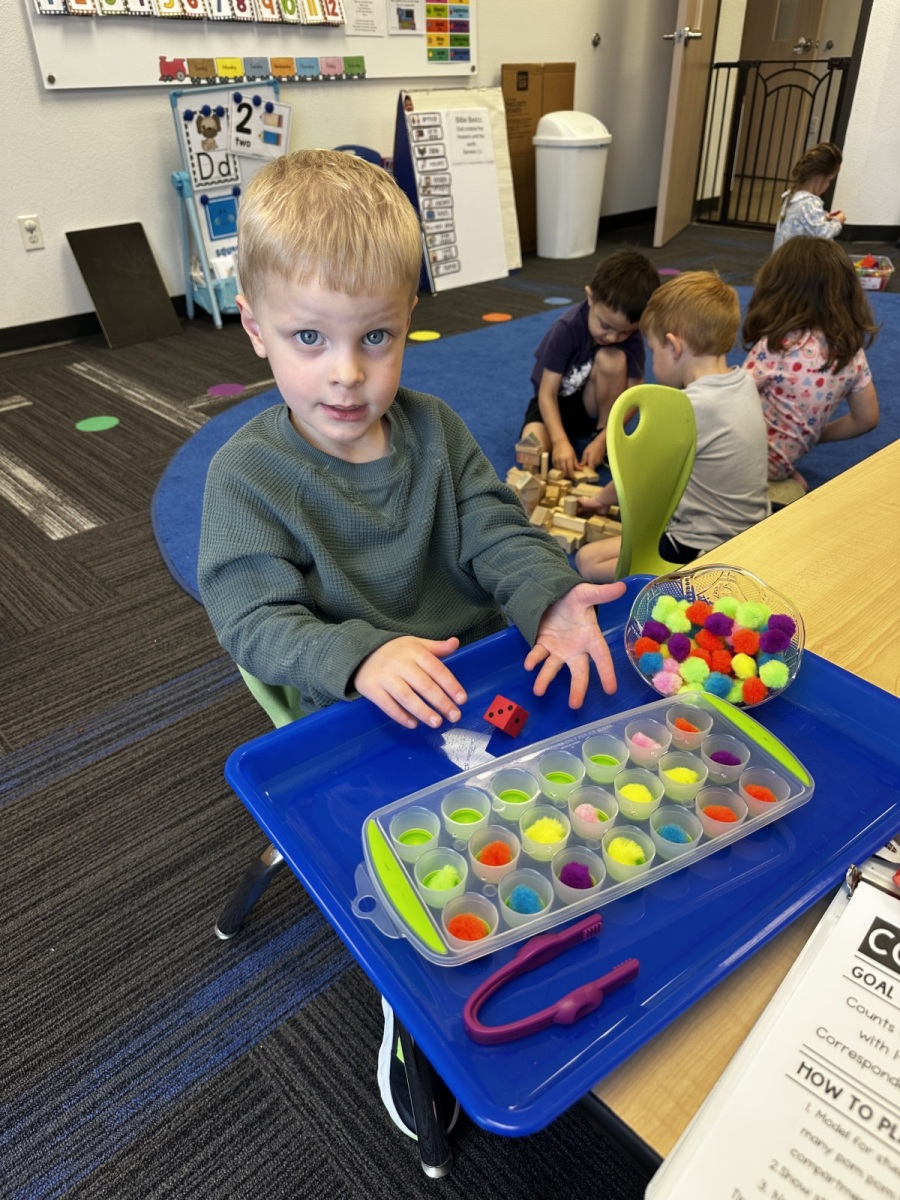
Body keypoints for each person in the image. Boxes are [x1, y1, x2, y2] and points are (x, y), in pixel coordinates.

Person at [198, 148, 627, 1143]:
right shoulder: (246, 478)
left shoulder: (435, 431)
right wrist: (360, 657)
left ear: (407, 323)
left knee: (576, 805)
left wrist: (548, 597)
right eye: (309, 337)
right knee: (429, 894)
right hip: (355, 717)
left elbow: (499, 531)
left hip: (475, 680)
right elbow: (254, 621)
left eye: (377, 337)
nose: (347, 374)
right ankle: (413, 1015)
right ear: (255, 328)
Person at [575, 272, 770, 584]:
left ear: (674, 346)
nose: (653, 361)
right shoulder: (744, 381)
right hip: (753, 527)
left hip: (705, 545)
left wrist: (600, 499)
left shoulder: (688, 408)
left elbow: (640, 479)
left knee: (587, 560)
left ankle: (685, 579)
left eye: (654, 350)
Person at [742, 237, 879, 504]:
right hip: (785, 461)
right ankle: (780, 475)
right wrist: (812, 436)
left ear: (779, 288)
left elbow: (729, 398)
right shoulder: (852, 353)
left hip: (749, 460)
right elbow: (867, 418)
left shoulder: (778, 346)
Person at [519, 250, 660, 478]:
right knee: (531, 446)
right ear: (590, 297)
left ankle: (601, 435)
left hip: (590, 407)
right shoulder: (566, 329)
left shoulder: (632, 337)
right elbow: (546, 393)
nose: (613, 337)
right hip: (554, 405)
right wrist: (559, 441)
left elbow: (635, 395)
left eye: (624, 332)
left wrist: (604, 439)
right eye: (605, 325)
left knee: (612, 359)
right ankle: (562, 439)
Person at [772, 141, 845, 251]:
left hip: (783, 256)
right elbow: (823, 234)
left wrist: (824, 217)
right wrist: (837, 221)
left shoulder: (792, 196)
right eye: (829, 180)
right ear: (819, 178)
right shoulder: (809, 202)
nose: (828, 185)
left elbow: (805, 221)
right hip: (797, 259)